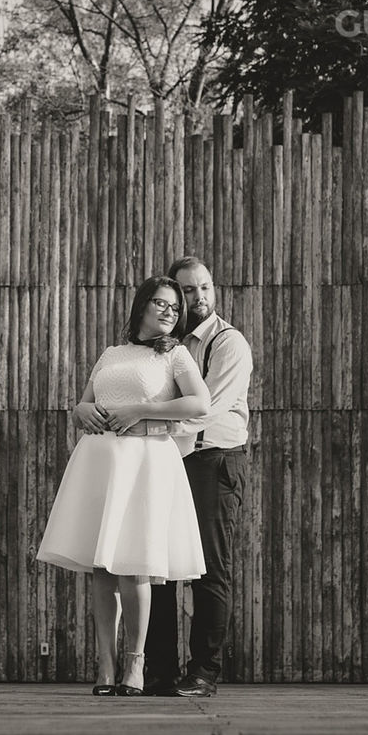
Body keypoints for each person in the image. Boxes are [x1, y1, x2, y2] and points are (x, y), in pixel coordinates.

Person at [36, 276, 213, 696]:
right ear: (142, 306)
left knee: (135, 562)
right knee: (102, 567)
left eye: (175, 307)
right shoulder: (111, 353)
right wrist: (80, 409)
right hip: (101, 460)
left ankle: (136, 664)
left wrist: (139, 409)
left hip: (145, 461)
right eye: (162, 303)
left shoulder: (175, 355)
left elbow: (200, 403)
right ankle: (105, 666)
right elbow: (85, 402)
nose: (170, 311)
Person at [138, 256, 252, 697]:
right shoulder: (165, 345)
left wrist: (146, 424)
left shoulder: (228, 343)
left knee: (208, 571)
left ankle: (204, 673)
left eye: (205, 287)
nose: (199, 297)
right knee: (159, 569)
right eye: (188, 290)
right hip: (167, 461)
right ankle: (159, 672)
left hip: (212, 462)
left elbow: (206, 409)